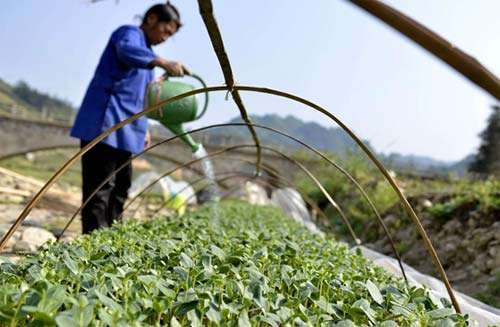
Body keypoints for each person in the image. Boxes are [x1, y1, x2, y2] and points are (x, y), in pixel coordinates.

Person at [70, 2, 185, 234]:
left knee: (121, 186)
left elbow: (140, 96)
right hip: (106, 122)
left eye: (170, 36)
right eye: (165, 31)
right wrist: (163, 61)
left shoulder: (149, 59)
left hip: (129, 128)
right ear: (151, 19)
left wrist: (145, 129)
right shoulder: (129, 34)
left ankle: (112, 239)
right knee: (100, 188)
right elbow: (126, 50)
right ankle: (93, 243)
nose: (165, 38)